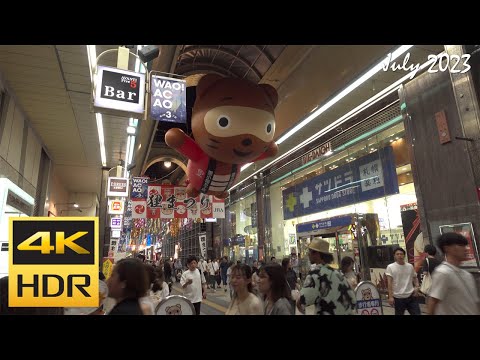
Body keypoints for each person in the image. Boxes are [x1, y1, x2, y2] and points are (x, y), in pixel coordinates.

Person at [296, 238, 355, 315]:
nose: (308, 254)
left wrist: (298, 301)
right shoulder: (338, 274)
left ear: (317, 254)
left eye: (310, 251)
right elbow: (353, 299)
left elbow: (303, 299)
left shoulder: (315, 274)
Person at [427, 233, 480, 315]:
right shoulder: (442, 273)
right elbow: (433, 302)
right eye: (461, 245)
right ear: (447, 248)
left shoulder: (467, 275)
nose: (466, 249)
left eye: (466, 245)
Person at [386, 247, 421, 315]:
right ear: (394, 256)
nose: (400, 255)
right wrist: (390, 297)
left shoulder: (410, 266)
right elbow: (389, 283)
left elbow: (415, 277)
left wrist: (417, 287)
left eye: (401, 254)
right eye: (397, 254)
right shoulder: (390, 267)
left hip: (411, 296)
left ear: (404, 255)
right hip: (398, 298)